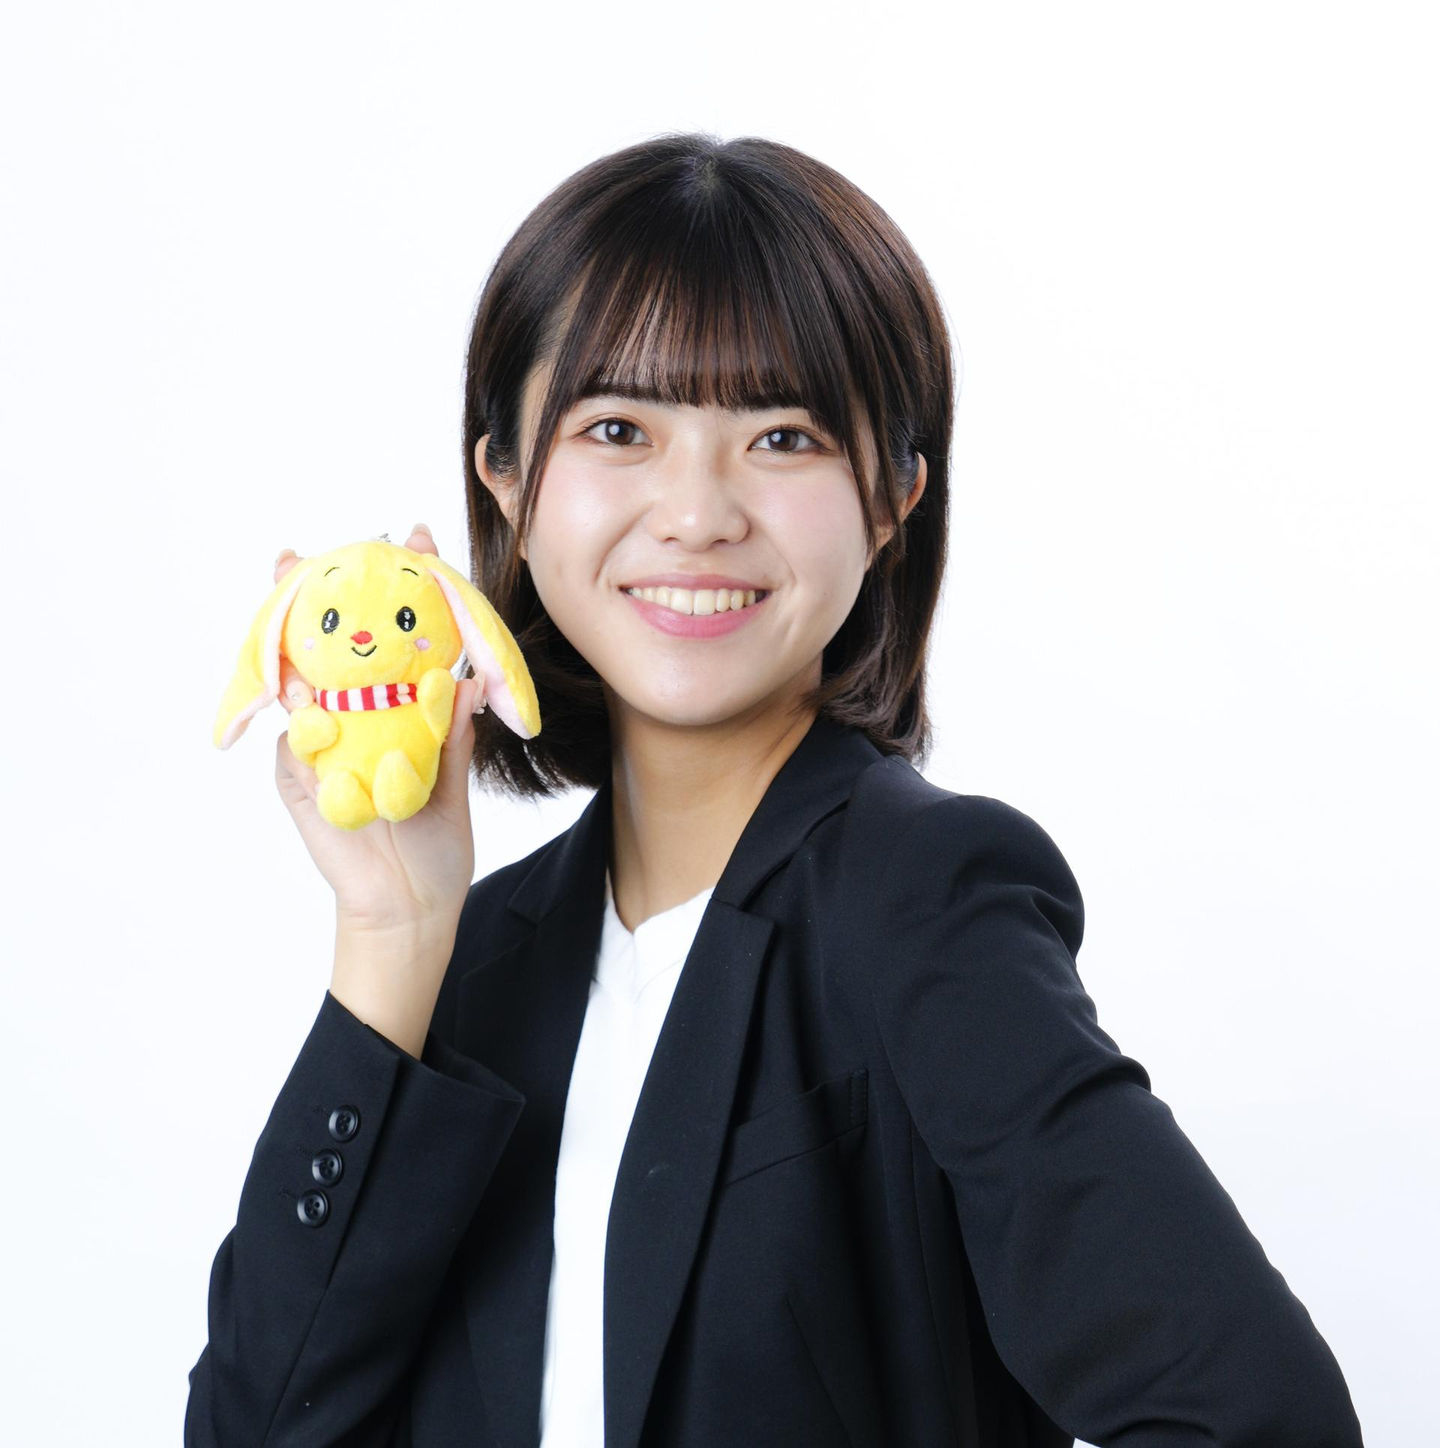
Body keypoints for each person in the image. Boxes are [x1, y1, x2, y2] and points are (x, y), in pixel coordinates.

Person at [185, 133, 1364, 1447]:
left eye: (783, 436)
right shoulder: (478, 962)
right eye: (618, 429)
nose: (697, 514)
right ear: (505, 480)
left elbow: (1257, 1415)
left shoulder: (924, 900)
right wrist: (394, 937)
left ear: (893, 498)